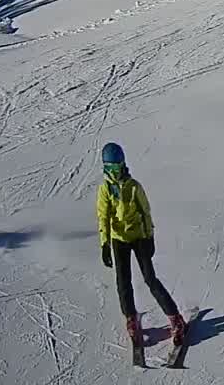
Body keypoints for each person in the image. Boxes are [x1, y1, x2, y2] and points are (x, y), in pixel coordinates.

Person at [97, 143, 186, 350]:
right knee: (123, 281)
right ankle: (130, 317)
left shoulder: (134, 186)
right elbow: (103, 216)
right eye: (109, 169)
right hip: (119, 239)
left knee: (150, 278)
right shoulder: (105, 189)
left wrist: (149, 237)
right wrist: (105, 244)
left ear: (123, 165)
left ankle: (175, 318)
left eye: (116, 168)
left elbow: (145, 212)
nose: (114, 173)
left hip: (138, 237)